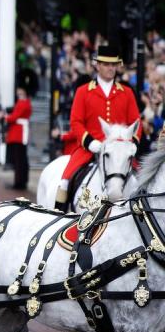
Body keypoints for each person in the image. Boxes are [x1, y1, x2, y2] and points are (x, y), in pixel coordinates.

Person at [55, 45, 140, 211]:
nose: (111, 68)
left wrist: (134, 142)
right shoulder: (83, 91)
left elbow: (136, 122)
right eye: (107, 64)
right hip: (89, 149)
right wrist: (90, 142)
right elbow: (76, 122)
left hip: (120, 151)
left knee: (141, 183)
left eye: (114, 65)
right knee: (65, 181)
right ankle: (59, 215)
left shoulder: (127, 92)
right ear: (98, 65)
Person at [1, 86, 32, 190]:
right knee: (20, 158)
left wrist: (4, 117)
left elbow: (14, 117)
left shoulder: (24, 103)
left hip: (19, 133)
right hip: (17, 132)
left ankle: (19, 182)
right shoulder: (23, 101)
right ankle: (21, 180)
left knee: (19, 159)